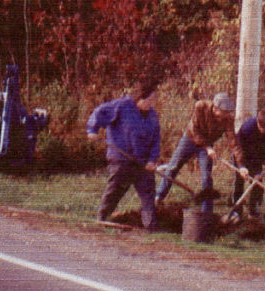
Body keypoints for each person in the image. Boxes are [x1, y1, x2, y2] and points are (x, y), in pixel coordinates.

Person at [86, 81, 160, 230]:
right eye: (148, 100)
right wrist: (93, 130)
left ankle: (150, 226)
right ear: (139, 97)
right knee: (115, 190)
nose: (151, 104)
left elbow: (156, 140)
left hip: (142, 162)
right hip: (121, 159)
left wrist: (152, 160)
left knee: (148, 194)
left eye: (153, 101)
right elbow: (99, 112)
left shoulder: (152, 116)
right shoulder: (121, 106)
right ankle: (102, 219)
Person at [155, 92, 241, 214]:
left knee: (206, 176)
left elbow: (233, 142)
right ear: (216, 108)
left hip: (207, 145)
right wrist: (208, 148)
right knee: (173, 166)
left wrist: (241, 166)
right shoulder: (200, 106)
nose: (227, 114)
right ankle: (158, 198)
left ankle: (207, 212)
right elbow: (194, 130)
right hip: (190, 139)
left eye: (228, 112)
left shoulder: (228, 120)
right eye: (225, 111)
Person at [226, 110, 265, 223]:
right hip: (242, 153)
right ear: (257, 122)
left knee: (258, 182)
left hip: (257, 154)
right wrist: (242, 167)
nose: (263, 131)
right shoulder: (247, 128)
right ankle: (236, 212)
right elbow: (238, 149)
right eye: (260, 128)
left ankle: (253, 211)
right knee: (239, 180)